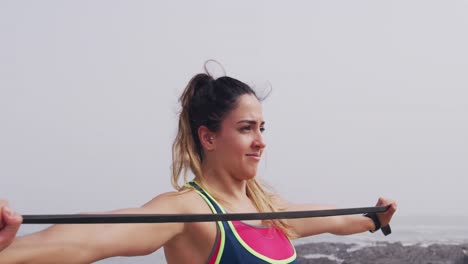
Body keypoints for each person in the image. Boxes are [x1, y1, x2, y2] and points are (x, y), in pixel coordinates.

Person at [0, 63, 397, 263]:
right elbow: (87, 237)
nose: (260, 141)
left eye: (262, 127)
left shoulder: (272, 212)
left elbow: (338, 219)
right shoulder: (188, 210)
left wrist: (375, 217)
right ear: (208, 137)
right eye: (246, 128)